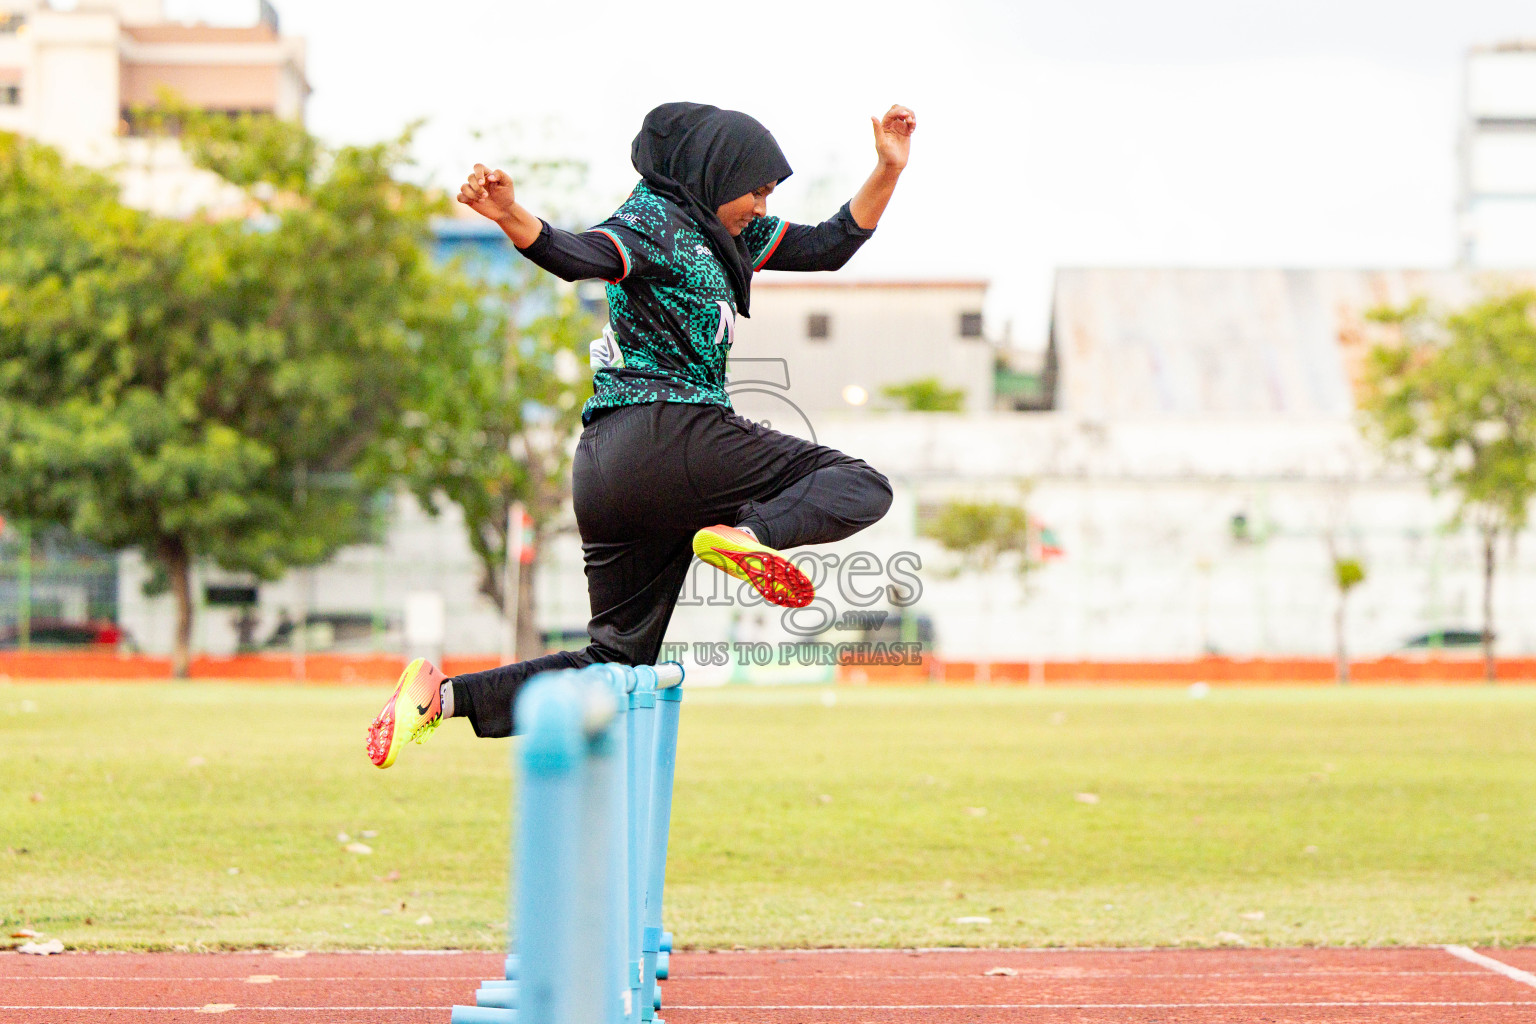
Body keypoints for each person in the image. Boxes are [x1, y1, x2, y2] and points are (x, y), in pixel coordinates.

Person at [367, 101, 916, 768]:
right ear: (717, 174)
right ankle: (746, 535)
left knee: (615, 659)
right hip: (675, 430)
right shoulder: (652, 219)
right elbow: (579, 255)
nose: (763, 204)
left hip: (607, 467)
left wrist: (886, 169)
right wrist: (512, 216)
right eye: (760, 188)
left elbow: (829, 245)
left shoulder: (729, 234)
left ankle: (439, 699)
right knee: (862, 484)